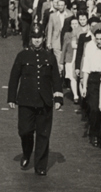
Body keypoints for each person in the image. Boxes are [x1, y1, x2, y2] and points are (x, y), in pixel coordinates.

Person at [7, 22, 63, 176]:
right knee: (25, 131)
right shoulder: (22, 55)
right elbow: (14, 77)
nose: (37, 40)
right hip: (26, 101)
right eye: (34, 37)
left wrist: (58, 98)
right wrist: (11, 97)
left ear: (43, 38)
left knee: (43, 134)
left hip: (44, 101)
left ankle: (40, 165)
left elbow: (56, 79)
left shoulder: (49, 56)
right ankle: (26, 153)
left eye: (39, 37)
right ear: (30, 38)